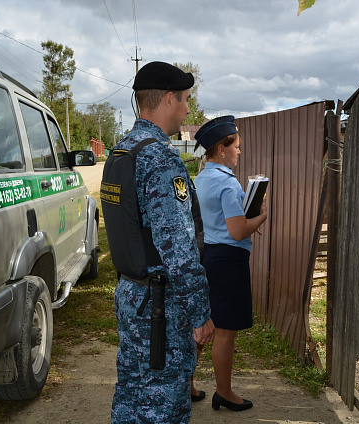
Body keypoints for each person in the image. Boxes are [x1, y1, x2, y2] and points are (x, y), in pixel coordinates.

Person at [106, 61, 215, 424]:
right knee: (164, 405)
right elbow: (179, 248)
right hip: (159, 309)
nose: (187, 109)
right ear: (168, 99)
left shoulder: (121, 151)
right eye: (185, 100)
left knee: (132, 395)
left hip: (131, 295)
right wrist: (200, 313)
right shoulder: (160, 158)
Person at [193, 115, 268, 412]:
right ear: (221, 149)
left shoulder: (201, 179)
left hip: (210, 255)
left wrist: (245, 220)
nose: (239, 151)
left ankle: (186, 382)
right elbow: (237, 230)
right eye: (236, 146)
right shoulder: (226, 184)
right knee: (225, 331)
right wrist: (261, 215)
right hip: (229, 261)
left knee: (205, 326)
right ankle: (224, 392)